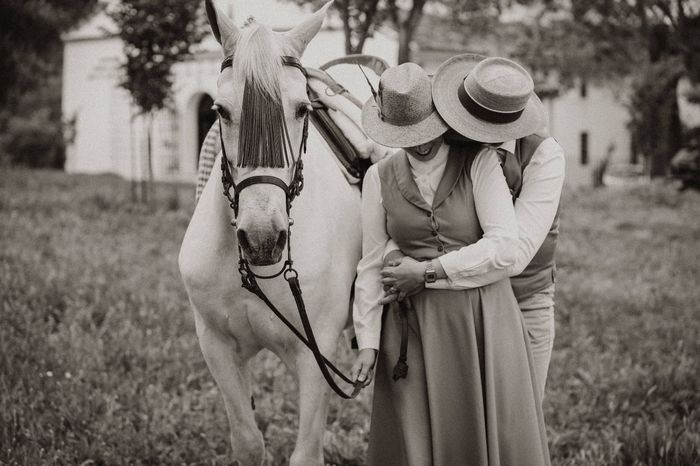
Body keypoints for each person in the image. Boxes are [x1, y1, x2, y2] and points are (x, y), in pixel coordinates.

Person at [351, 60, 550, 465]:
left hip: (481, 320)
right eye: (406, 137)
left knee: (480, 436)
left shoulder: (477, 162)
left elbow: (505, 247)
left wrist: (427, 272)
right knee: (415, 442)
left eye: (425, 130)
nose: (420, 144)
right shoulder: (379, 178)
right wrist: (368, 343)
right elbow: (371, 263)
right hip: (412, 329)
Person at [379, 54, 565, 399]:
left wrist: (426, 272)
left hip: (524, 299)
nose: (471, 136)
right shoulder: (442, 147)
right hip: (457, 309)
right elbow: (404, 211)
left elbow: (515, 256)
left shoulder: (544, 156)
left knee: (518, 416)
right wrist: (393, 252)